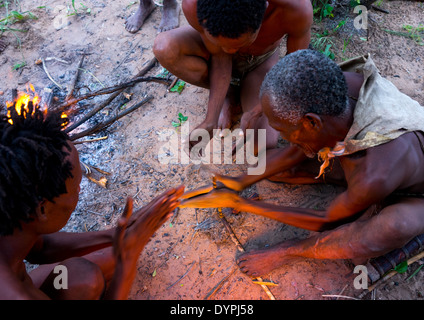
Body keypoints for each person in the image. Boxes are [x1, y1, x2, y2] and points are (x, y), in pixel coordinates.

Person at [180, 49, 424, 278]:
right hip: (364, 159)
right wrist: (238, 182)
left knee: (391, 227)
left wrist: (242, 203)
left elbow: (327, 220)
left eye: (284, 131)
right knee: (277, 167)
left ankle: (290, 250)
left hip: (414, 195)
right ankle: (355, 198)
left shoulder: (374, 172)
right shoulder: (334, 93)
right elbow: (295, 151)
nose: (283, 138)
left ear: (312, 122)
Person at [0, 101, 184, 299]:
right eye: (76, 188)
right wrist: (127, 261)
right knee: (118, 260)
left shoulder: (11, 210)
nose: (79, 190)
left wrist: (115, 235)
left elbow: (41, 248)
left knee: (83, 277)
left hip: (30, 285)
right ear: (42, 210)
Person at [153, 0, 312, 151]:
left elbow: (292, 74)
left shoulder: (296, 9)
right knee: (165, 48)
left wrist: (257, 110)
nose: (230, 51)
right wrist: (210, 119)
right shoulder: (194, 5)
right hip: (215, 58)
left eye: (239, 44)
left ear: (263, 10)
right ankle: (228, 93)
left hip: (260, 63)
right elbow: (221, 57)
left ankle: (242, 89)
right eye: (220, 43)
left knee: (261, 143)